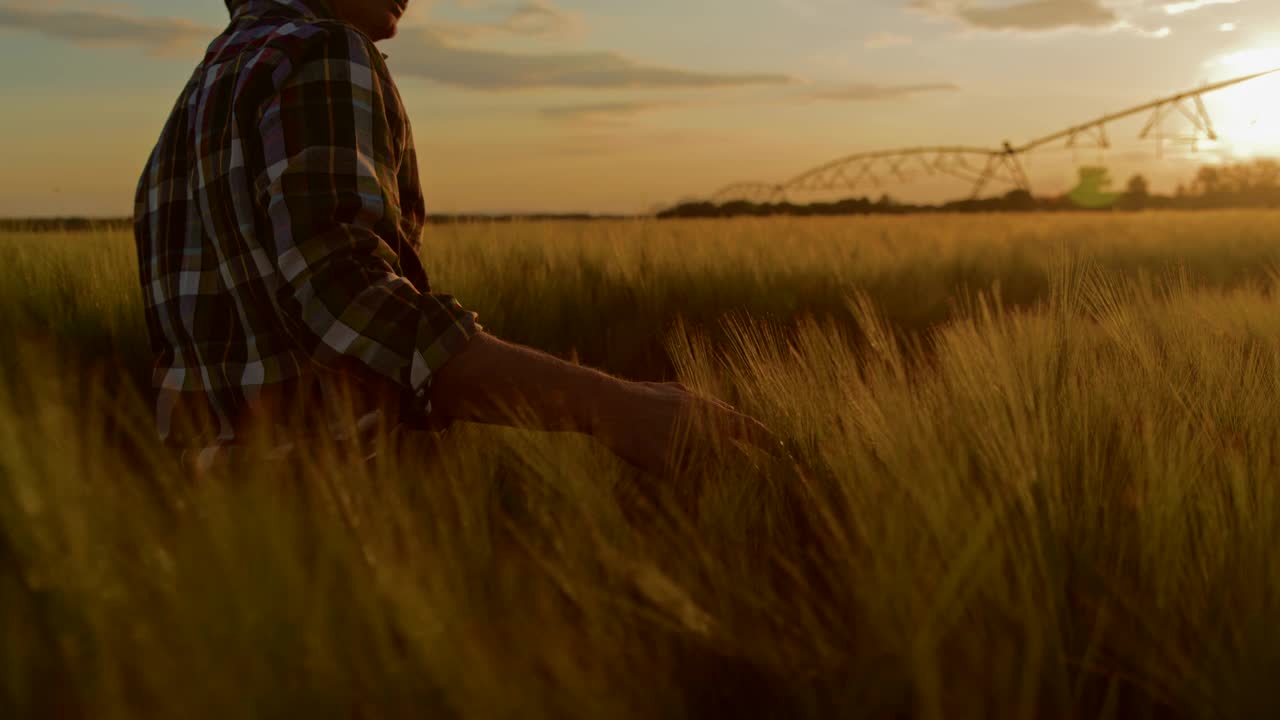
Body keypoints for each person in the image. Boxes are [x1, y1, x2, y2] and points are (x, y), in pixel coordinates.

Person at [133, 0, 771, 477]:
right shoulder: (324, 52)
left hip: (208, 529)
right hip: (332, 521)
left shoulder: (190, 106)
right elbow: (352, 301)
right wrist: (612, 406)